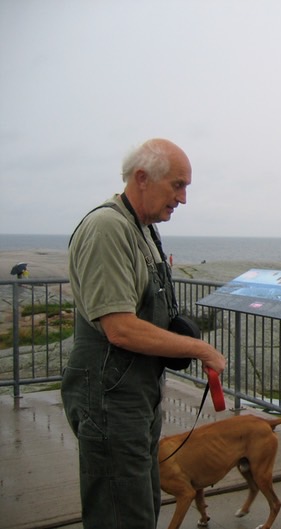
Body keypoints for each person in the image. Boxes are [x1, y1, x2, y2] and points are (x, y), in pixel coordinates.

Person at [61, 138, 226, 529]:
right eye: (177, 185)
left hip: (137, 399)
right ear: (142, 178)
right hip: (109, 401)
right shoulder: (107, 229)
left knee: (141, 505)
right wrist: (200, 348)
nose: (183, 199)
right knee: (121, 514)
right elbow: (119, 328)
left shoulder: (144, 231)